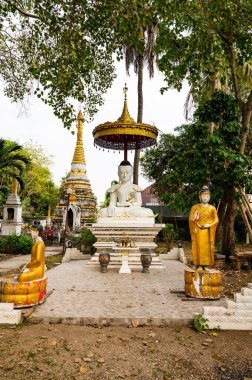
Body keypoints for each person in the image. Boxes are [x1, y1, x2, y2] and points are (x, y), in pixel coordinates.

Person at [189, 186, 218, 268]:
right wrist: (195, 220)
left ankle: (206, 264)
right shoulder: (195, 207)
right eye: (204, 196)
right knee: (198, 247)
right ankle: (198, 264)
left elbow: (216, 220)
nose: (206, 198)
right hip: (198, 230)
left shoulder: (212, 208)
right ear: (200, 197)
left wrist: (209, 225)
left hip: (208, 232)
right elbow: (191, 219)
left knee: (207, 248)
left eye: (208, 196)